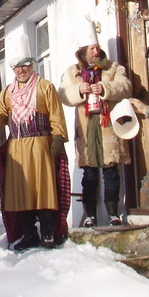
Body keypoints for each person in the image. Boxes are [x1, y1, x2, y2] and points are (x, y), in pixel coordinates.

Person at [0, 50, 70, 250]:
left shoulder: (45, 87)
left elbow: (56, 114)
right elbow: (1, 116)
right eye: (17, 67)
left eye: (24, 65)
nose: (21, 70)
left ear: (32, 65)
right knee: (22, 191)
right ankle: (28, 233)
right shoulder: (8, 92)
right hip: (17, 147)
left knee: (43, 189)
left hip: (40, 145)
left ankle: (48, 232)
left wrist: (58, 137)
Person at [59, 34, 132, 227]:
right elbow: (63, 95)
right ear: (83, 51)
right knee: (89, 173)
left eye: (97, 47)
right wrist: (79, 90)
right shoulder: (73, 72)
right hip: (86, 129)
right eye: (91, 48)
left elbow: (126, 86)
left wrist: (105, 87)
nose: (96, 50)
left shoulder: (113, 68)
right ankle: (90, 214)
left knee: (111, 170)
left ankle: (113, 213)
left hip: (107, 126)